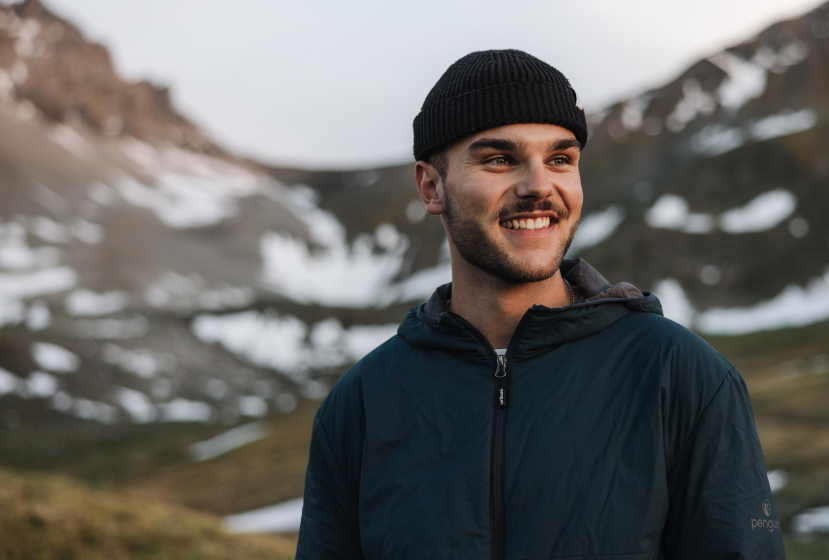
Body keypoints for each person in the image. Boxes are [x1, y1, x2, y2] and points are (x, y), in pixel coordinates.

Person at [295, 49, 785, 560]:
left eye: (560, 159)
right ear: (431, 186)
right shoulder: (361, 405)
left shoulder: (682, 376)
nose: (538, 186)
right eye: (499, 159)